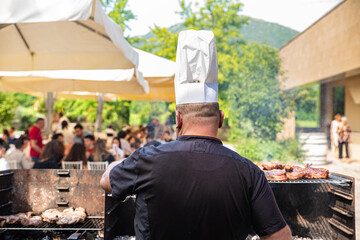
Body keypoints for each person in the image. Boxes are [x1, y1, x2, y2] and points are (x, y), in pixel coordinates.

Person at [101, 30, 291, 240]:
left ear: (178, 119)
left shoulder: (147, 159)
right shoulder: (249, 172)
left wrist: (117, 162)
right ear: (220, 118)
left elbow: (106, 182)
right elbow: (280, 237)